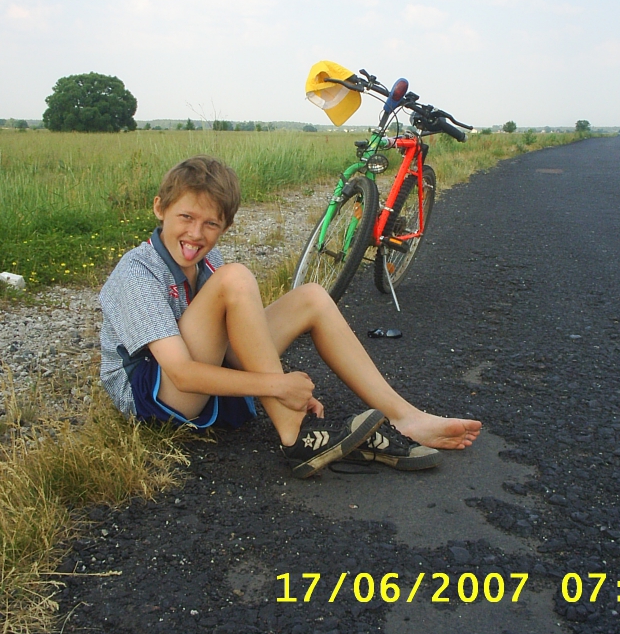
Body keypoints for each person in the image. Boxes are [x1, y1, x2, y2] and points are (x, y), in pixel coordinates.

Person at [99, 155, 480, 478]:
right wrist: (278, 386)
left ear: (226, 226)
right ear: (160, 208)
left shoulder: (206, 257)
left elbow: (228, 339)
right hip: (155, 393)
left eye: (211, 224)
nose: (195, 234)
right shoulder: (137, 272)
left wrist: (276, 384)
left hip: (199, 371)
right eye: (185, 216)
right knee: (235, 279)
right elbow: (181, 374)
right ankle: (293, 434)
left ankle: (406, 417)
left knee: (312, 296)